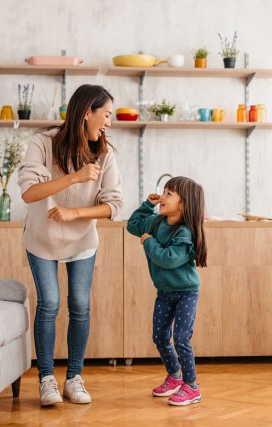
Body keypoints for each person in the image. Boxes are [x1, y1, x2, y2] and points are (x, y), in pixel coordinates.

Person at [17, 84, 123, 406]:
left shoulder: (105, 153)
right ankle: (46, 380)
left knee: (79, 304)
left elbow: (114, 206)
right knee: (48, 303)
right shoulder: (42, 143)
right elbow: (29, 193)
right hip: (42, 238)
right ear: (87, 112)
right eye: (105, 114)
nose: (108, 122)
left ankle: (74, 377)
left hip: (82, 240)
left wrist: (75, 213)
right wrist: (74, 177)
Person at [126, 176, 207, 406]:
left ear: (183, 204)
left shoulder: (185, 233)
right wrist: (147, 205)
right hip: (164, 291)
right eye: (163, 191)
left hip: (185, 292)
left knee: (181, 338)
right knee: (159, 337)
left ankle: (192, 387)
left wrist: (148, 242)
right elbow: (132, 225)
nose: (163, 196)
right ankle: (174, 376)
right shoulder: (155, 222)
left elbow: (168, 259)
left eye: (169, 194)